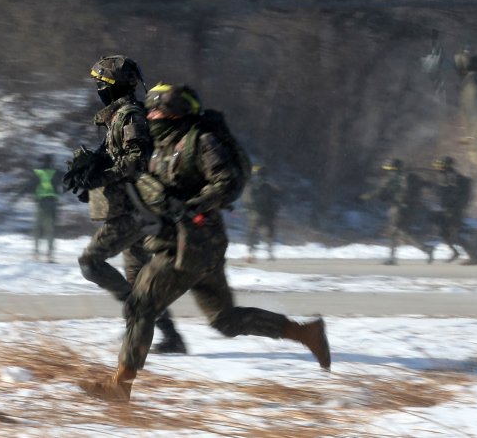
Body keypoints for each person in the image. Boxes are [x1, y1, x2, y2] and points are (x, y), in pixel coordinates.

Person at [79, 83, 330, 402]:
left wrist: (190, 205)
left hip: (189, 245)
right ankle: (305, 333)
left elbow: (227, 183)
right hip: (196, 246)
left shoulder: (200, 141)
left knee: (141, 304)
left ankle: (121, 385)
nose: (150, 115)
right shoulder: (158, 144)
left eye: (154, 109)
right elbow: (135, 177)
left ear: (171, 112)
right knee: (225, 320)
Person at [64, 55, 186, 355]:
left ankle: (140, 324)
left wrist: (99, 177)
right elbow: (118, 159)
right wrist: (91, 176)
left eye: (100, 83)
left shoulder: (129, 116)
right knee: (139, 278)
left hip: (133, 211)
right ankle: (169, 338)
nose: (97, 89)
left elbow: (136, 162)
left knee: (90, 264)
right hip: (131, 208)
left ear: (112, 87)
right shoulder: (119, 117)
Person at [362, 158, 434, 265]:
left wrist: (365, 197)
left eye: (389, 168)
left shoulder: (393, 178)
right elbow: (427, 185)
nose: (387, 171)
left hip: (398, 208)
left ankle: (424, 249)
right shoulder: (411, 177)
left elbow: (380, 191)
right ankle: (394, 257)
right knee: (398, 232)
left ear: (392, 168)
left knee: (397, 231)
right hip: (412, 208)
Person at [431, 156, 477, 265]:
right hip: (459, 209)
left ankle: (474, 255)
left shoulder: (455, 178)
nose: (438, 168)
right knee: (445, 233)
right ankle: (464, 252)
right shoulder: (445, 176)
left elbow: (455, 196)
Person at [19, 154, 61, 262]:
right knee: (50, 229)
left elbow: (28, 186)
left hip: (40, 204)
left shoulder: (37, 173)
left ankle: (36, 253)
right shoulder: (56, 172)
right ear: (52, 162)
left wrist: (19, 195)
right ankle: (50, 255)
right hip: (52, 203)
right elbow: (68, 182)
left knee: (37, 228)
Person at [243, 164, 282, 263]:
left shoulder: (261, 186)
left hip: (261, 214)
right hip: (261, 213)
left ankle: (256, 253)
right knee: (262, 233)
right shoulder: (262, 186)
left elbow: (247, 200)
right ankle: (257, 253)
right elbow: (248, 200)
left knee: (257, 233)